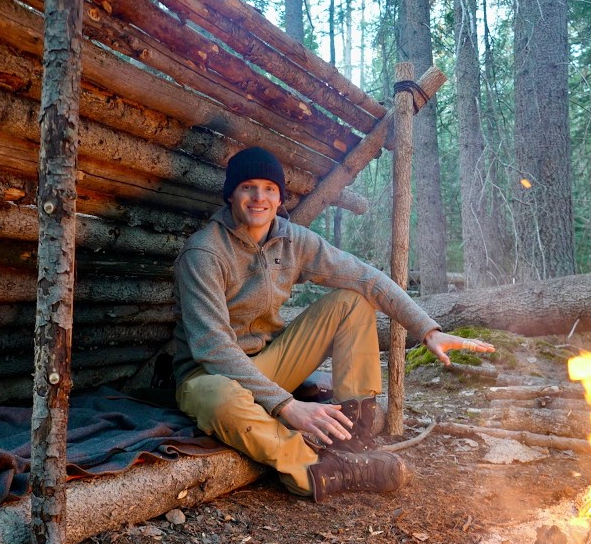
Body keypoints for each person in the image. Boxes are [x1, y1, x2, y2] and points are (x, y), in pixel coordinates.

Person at [172, 147, 495, 501]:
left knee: (352, 300)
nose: (258, 197)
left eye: (269, 188)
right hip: (208, 376)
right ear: (231, 193)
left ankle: (353, 440)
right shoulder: (204, 253)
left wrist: (427, 330)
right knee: (220, 398)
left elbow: (365, 278)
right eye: (248, 187)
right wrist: (288, 407)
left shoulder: (292, 240)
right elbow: (213, 348)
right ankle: (312, 470)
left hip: (267, 363)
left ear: (280, 197)